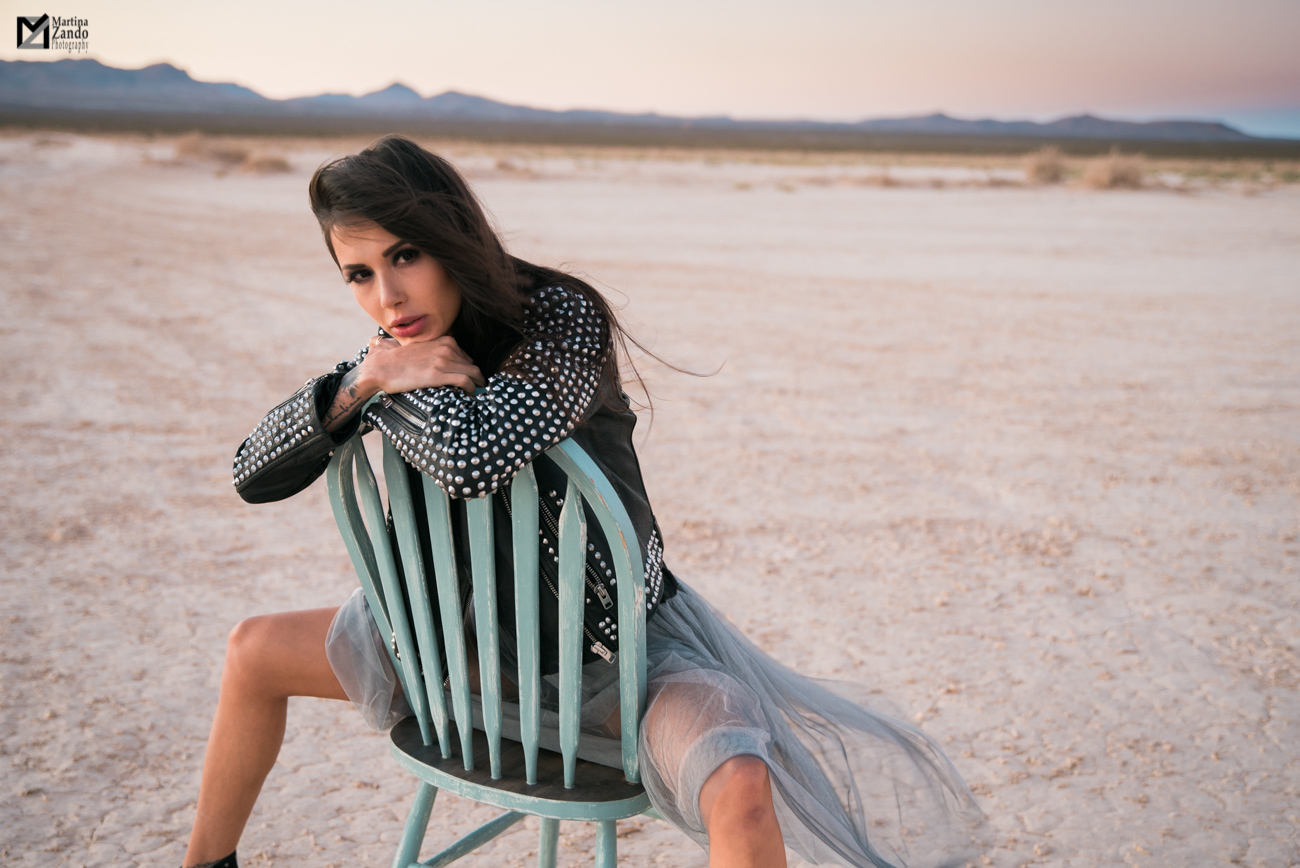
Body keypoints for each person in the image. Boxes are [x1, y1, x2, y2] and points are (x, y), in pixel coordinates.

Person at [183, 135, 987, 868]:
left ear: (452, 239)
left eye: (407, 256)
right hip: (444, 652)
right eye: (359, 274)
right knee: (252, 652)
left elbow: (475, 456)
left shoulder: (561, 320)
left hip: (609, 659)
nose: (388, 297)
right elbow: (251, 472)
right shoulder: (400, 356)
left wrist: (387, 383)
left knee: (739, 782)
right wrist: (360, 382)